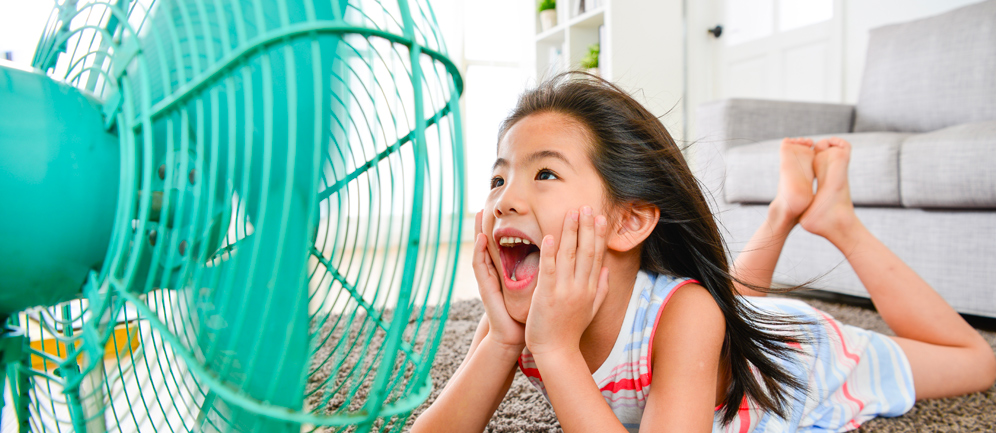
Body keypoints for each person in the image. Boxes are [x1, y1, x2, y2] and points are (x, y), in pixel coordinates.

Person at [412, 73, 996, 432]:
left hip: (808, 357)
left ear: (629, 221)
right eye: (496, 179)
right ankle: (783, 211)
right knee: (725, 308)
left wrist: (556, 352)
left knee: (977, 362)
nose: (505, 201)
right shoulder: (518, 322)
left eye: (543, 173)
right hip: (718, 336)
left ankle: (836, 220)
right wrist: (509, 341)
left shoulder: (685, 316)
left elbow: (688, 318)